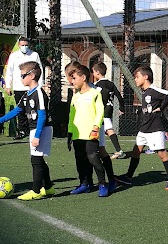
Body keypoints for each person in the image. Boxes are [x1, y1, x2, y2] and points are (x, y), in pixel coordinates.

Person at [0, 62, 54, 200]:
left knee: (35, 160)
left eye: (23, 75)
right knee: (39, 159)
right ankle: (48, 188)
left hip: (42, 129)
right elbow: (17, 111)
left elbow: (42, 115)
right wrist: (1, 119)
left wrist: (37, 136)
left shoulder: (39, 93)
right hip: (34, 129)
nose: (21, 78)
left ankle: (36, 191)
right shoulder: (26, 95)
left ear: (32, 75)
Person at [115, 66, 168, 189]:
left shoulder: (153, 90)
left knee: (162, 154)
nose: (135, 80)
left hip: (154, 129)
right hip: (144, 129)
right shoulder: (144, 92)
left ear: (146, 77)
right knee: (136, 152)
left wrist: (161, 108)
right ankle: (128, 177)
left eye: (137, 77)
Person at [67, 64, 111, 197]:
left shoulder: (95, 93)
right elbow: (71, 115)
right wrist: (70, 132)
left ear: (83, 77)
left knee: (93, 158)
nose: (72, 81)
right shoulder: (75, 97)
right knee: (80, 160)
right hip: (77, 134)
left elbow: (100, 112)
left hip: (91, 133)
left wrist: (96, 127)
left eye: (74, 78)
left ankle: (103, 184)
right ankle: (85, 184)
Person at [4, 37, 44, 140]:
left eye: (26, 45)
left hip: (33, 88)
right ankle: (22, 130)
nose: (24, 47)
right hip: (18, 87)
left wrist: (40, 84)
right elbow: (9, 71)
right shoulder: (13, 56)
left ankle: (34, 129)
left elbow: (40, 70)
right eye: (22, 45)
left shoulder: (34, 55)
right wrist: (8, 86)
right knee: (20, 110)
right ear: (19, 45)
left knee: (34, 109)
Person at [91, 62, 126, 159]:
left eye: (93, 71)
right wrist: (121, 108)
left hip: (101, 110)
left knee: (107, 129)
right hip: (109, 108)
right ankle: (104, 149)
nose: (92, 73)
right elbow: (119, 96)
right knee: (105, 128)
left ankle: (118, 150)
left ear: (97, 72)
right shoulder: (111, 84)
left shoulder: (97, 85)